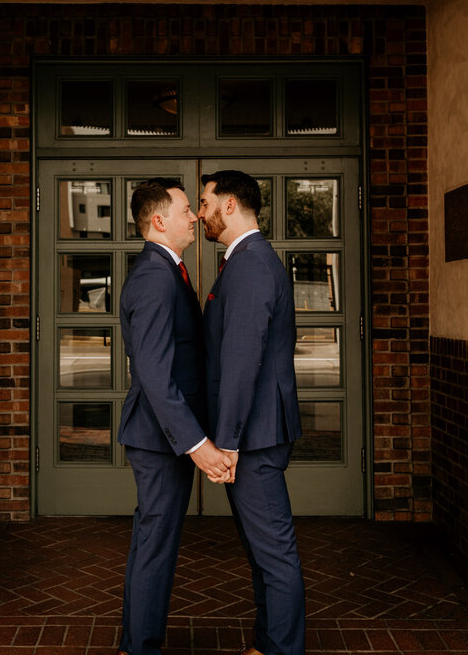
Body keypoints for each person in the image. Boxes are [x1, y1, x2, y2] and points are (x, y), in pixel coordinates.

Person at [116, 177, 235, 655]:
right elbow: (154, 374)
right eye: (187, 209)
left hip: (165, 436)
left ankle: (136, 643)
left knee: (156, 541)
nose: (195, 216)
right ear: (159, 220)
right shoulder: (152, 277)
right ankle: (139, 647)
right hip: (159, 438)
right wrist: (198, 445)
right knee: (155, 544)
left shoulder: (170, 271)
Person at [199, 169, 306, 655]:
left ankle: (281, 648)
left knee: (274, 553)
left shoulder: (250, 265)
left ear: (228, 205)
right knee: (263, 552)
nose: (200, 213)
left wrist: (228, 441)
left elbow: (242, 360)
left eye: (204, 202)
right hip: (257, 430)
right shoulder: (246, 261)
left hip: (254, 436)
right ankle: (266, 644)